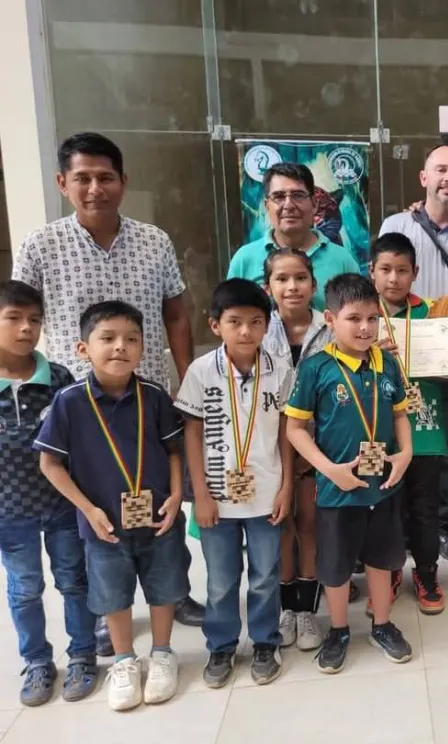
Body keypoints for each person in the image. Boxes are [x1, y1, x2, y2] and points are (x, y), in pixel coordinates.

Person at [12, 132, 203, 635]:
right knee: (89, 507)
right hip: (78, 405)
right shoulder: (40, 245)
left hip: (147, 400)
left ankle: (174, 593)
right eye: (83, 179)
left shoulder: (154, 241)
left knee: (162, 495)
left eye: (105, 177)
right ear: (62, 183)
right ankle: (105, 612)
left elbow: (177, 312)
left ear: (123, 181)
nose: (95, 188)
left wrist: (185, 384)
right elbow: (19, 320)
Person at [35, 301, 188, 711]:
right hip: (102, 526)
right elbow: (49, 463)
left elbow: (174, 451)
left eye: (131, 339)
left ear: (142, 348)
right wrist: (88, 509)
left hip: (159, 519)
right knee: (112, 595)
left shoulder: (154, 397)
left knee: (165, 587)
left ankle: (162, 653)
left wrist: (176, 496)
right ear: (83, 348)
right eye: (108, 338)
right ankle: (124, 662)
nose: (120, 347)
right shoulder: (69, 402)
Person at [285, 273, 414, 673]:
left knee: (382, 559)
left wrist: (406, 452)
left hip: (384, 486)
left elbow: (400, 415)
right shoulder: (315, 368)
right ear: (329, 319)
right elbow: (294, 430)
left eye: (372, 319)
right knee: (337, 566)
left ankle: (382, 623)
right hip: (337, 490)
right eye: (354, 318)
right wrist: (329, 470)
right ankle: (339, 629)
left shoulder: (387, 362)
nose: (365, 328)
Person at [379, 142, 448, 565]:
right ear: (424, 178)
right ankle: (396, 526)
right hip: (391, 358)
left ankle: (439, 527)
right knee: (392, 439)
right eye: (441, 170)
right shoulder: (397, 224)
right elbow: (380, 285)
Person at [177, 280, 294, 688]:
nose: (246, 331)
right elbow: (191, 433)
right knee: (221, 579)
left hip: (266, 493)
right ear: (215, 325)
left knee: (265, 574)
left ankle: (265, 640)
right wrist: (201, 494)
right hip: (217, 500)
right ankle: (222, 644)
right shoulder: (200, 371)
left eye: (255, 322)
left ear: (267, 325)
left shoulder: (280, 369)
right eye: (235, 322)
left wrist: (286, 488)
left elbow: (286, 432)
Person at [0, 281, 97, 707]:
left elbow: (78, 441)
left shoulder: (58, 378)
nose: (26, 329)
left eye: (34, 320)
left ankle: (83, 654)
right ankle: (38, 661)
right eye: (13, 319)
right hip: (9, 511)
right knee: (23, 588)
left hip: (62, 505)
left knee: (74, 581)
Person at [370, 232, 448, 614]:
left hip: (425, 429)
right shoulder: (364, 316)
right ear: (372, 272)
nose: (393, 279)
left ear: (415, 272)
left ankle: (427, 574)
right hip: (379, 432)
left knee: (426, 508)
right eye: (385, 270)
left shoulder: (435, 312)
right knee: (387, 508)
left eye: (401, 270)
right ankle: (391, 570)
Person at [261, 249, 333, 652]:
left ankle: (307, 610)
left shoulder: (331, 327)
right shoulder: (257, 329)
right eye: (282, 279)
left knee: (309, 527)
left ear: (314, 284)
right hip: (269, 449)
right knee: (281, 527)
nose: (292, 287)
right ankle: (285, 607)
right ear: (268, 286)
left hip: (317, 449)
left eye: (300, 278)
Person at [227, 162, 361, 311]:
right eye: (278, 197)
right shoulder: (245, 260)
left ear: (314, 204)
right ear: (267, 206)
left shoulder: (342, 261)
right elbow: (232, 320)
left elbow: (357, 319)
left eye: (298, 195)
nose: (289, 205)